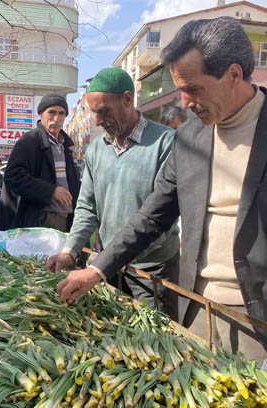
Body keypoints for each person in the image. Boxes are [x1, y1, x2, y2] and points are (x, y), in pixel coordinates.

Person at [57, 17, 267, 360]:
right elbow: (153, 215)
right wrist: (98, 270)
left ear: (233, 75)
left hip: (261, 320)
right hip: (196, 309)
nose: (185, 102)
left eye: (194, 89)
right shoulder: (189, 138)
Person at [45, 67, 180, 319]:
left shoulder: (166, 143)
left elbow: (157, 217)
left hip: (150, 273)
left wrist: (100, 267)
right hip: (106, 268)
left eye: (103, 111)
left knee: (152, 342)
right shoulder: (97, 149)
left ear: (127, 99)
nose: (97, 121)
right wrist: (69, 251)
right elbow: (87, 207)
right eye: (94, 113)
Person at [0, 93, 81, 232]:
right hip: (41, 219)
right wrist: (50, 191)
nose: (56, 118)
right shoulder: (29, 141)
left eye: (61, 113)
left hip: (65, 218)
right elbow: (13, 176)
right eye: (51, 112)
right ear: (41, 114)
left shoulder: (65, 145)